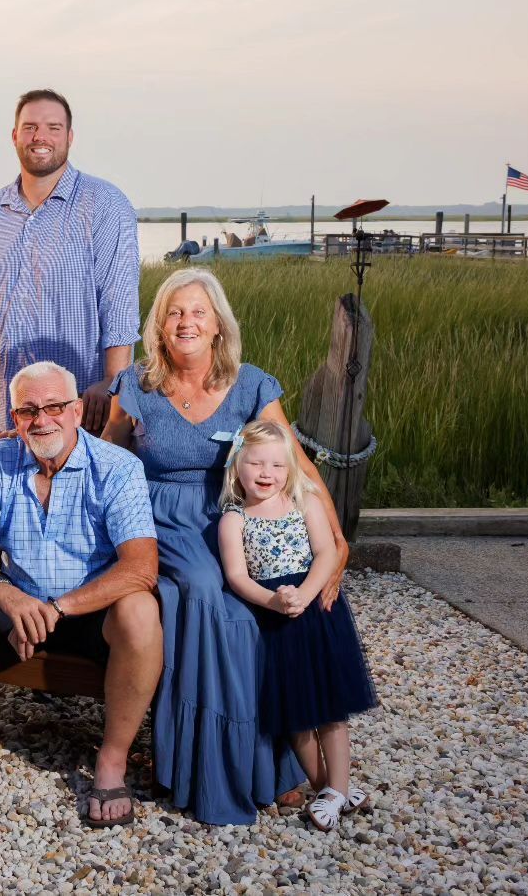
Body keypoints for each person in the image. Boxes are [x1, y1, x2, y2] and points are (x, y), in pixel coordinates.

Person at [102, 266, 352, 825]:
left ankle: (264, 764)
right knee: (206, 591)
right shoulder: (136, 386)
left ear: (219, 324)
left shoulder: (252, 384)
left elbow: (297, 465)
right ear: (160, 325)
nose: (185, 321)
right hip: (157, 516)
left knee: (253, 608)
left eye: (198, 312)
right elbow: (106, 461)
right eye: (174, 311)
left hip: (228, 516)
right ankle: (206, 768)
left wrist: (335, 538)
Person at [0, 362, 163, 830]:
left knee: (140, 609)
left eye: (54, 406)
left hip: (92, 611)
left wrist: (58, 608)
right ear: (15, 417)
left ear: (76, 411)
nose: (42, 419)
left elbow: (141, 567)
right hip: (21, 604)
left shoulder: (116, 467)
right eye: (29, 410)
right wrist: (5, 594)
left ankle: (111, 762)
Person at [0, 88, 140, 448]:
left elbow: (118, 303)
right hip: (3, 408)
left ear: (70, 137)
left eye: (53, 127)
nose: (40, 137)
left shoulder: (105, 205)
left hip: (78, 410)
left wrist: (111, 381)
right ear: (14, 136)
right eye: (30, 127)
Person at [217, 420, 378, 831]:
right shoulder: (233, 519)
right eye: (256, 463)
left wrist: (305, 594)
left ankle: (337, 787)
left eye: (276, 465)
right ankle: (328, 787)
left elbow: (326, 553)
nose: (266, 473)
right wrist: (274, 601)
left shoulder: (303, 500)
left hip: (318, 611)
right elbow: (237, 576)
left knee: (331, 707)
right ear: (237, 467)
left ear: (290, 470)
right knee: (296, 713)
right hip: (275, 619)